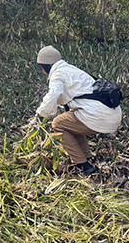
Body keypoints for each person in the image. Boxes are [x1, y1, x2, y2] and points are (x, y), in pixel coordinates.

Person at [31, 45, 122, 175]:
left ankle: (83, 165)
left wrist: (39, 116)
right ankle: (87, 157)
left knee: (58, 123)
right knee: (71, 121)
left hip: (99, 117)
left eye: (42, 68)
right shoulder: (71, 69)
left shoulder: (58, 74)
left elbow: (52, 96)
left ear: (49, 65)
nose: (43, 72)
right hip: (113, 114)